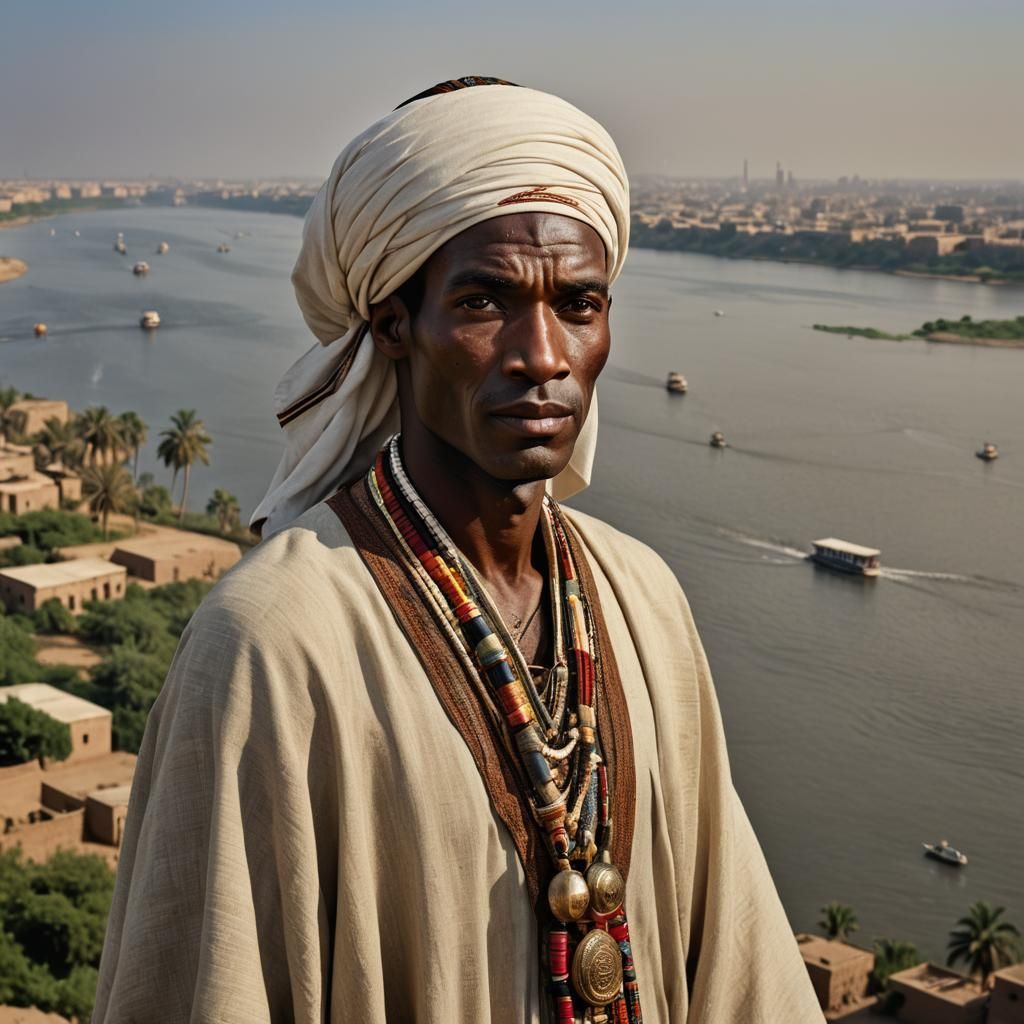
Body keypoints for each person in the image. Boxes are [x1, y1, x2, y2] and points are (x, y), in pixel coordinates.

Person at [94, 78, 824, 1023]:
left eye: (580, 304)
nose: (545, 355)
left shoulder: (642, 597)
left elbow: (737, 964)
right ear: (394, 324)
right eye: (486, 303)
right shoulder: (277, 641)